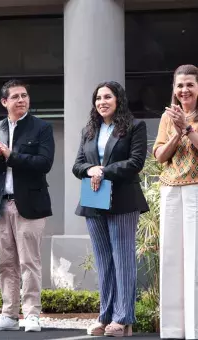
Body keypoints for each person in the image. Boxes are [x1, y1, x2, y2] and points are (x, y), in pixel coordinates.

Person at [0, 79, 55, 332]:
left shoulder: (41, 128)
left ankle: (32, 314)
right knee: (5, 262)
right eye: (15, 97)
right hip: (0, 205)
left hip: (29, 205)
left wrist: (11, 155)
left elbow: (44, 163)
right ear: (4, 102)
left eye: (24, 96)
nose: (21, 100)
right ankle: (8, 315)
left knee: (29, 262)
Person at [72, 81, 148, 337]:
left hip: (123, 200)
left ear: (118, 100)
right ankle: (105, 316)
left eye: (107, 97)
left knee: (123, 259)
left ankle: (123, 318)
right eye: (98, 98)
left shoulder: (135, 127)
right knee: (104, 260)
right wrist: (90, 170)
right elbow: (78, 165)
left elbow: (136, 162)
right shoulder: (89, 130)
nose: (102, 101)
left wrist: (104, 171)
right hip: (93, 201)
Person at [153, 64, 198, 340]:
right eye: (179, 85)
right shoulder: (167, 117)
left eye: (190, 84)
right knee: (171, 259)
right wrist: (176, 131)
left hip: (196, 189)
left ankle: (194, 329)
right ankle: (172, 330)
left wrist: (188, 127)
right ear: (173, 89)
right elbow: (159, 156)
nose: (184, 90)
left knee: (194, 258)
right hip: (170, 189)